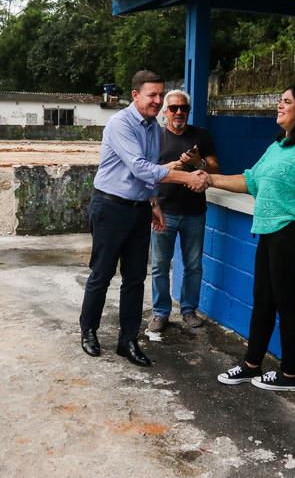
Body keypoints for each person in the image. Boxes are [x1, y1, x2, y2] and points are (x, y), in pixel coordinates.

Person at [210, 83, 295, 392]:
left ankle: (289, 375)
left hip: (292, 235)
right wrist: (210, 178)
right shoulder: (278, 146)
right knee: (262, 300)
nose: (279, 106)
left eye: (286, 102)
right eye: (279, 101)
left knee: (287, 303)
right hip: (268, 233)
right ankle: (252, 364)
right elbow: (250, 181)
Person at [79, 70, 209, 367]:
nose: (158, 101)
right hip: (111, 207)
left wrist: (154, 203)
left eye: (161, 95)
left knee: (136, 278)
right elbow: (140, 168)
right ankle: (89, 330)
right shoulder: (120, 123)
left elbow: (149, 169)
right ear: (135, 95)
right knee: (102, 273)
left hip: (139, 208)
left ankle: (127, 341)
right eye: (152, 95)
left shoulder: (152, 126)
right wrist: (185, 177)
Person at [149, 90, 220, 332]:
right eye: (174, 108)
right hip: (163, 211)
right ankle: (160, 313)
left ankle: (189, 310)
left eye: (184, 108)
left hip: (194, 212)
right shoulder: (155, 137)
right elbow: (145, 172)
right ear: (165, 112)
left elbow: (216, 170)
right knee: (159, 265)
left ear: (188, 111)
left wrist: (197, 162)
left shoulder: (202, 135)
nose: (179, 112)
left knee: (193, 265)